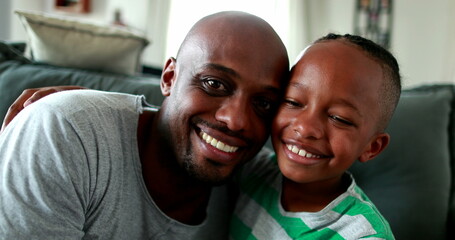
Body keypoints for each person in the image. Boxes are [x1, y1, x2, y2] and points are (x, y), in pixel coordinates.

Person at [0, 11, 289, 239]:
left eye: (263, 103)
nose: (237, 120)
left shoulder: (258, 180)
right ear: (168, 78)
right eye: (214, 84)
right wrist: (71, 110)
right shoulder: (66, 133)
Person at [229, 34, 400, 239]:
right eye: (292, 102)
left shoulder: (364, 235)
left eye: (339, 118)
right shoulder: (249, 169)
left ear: (372, 147)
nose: (305, 128)